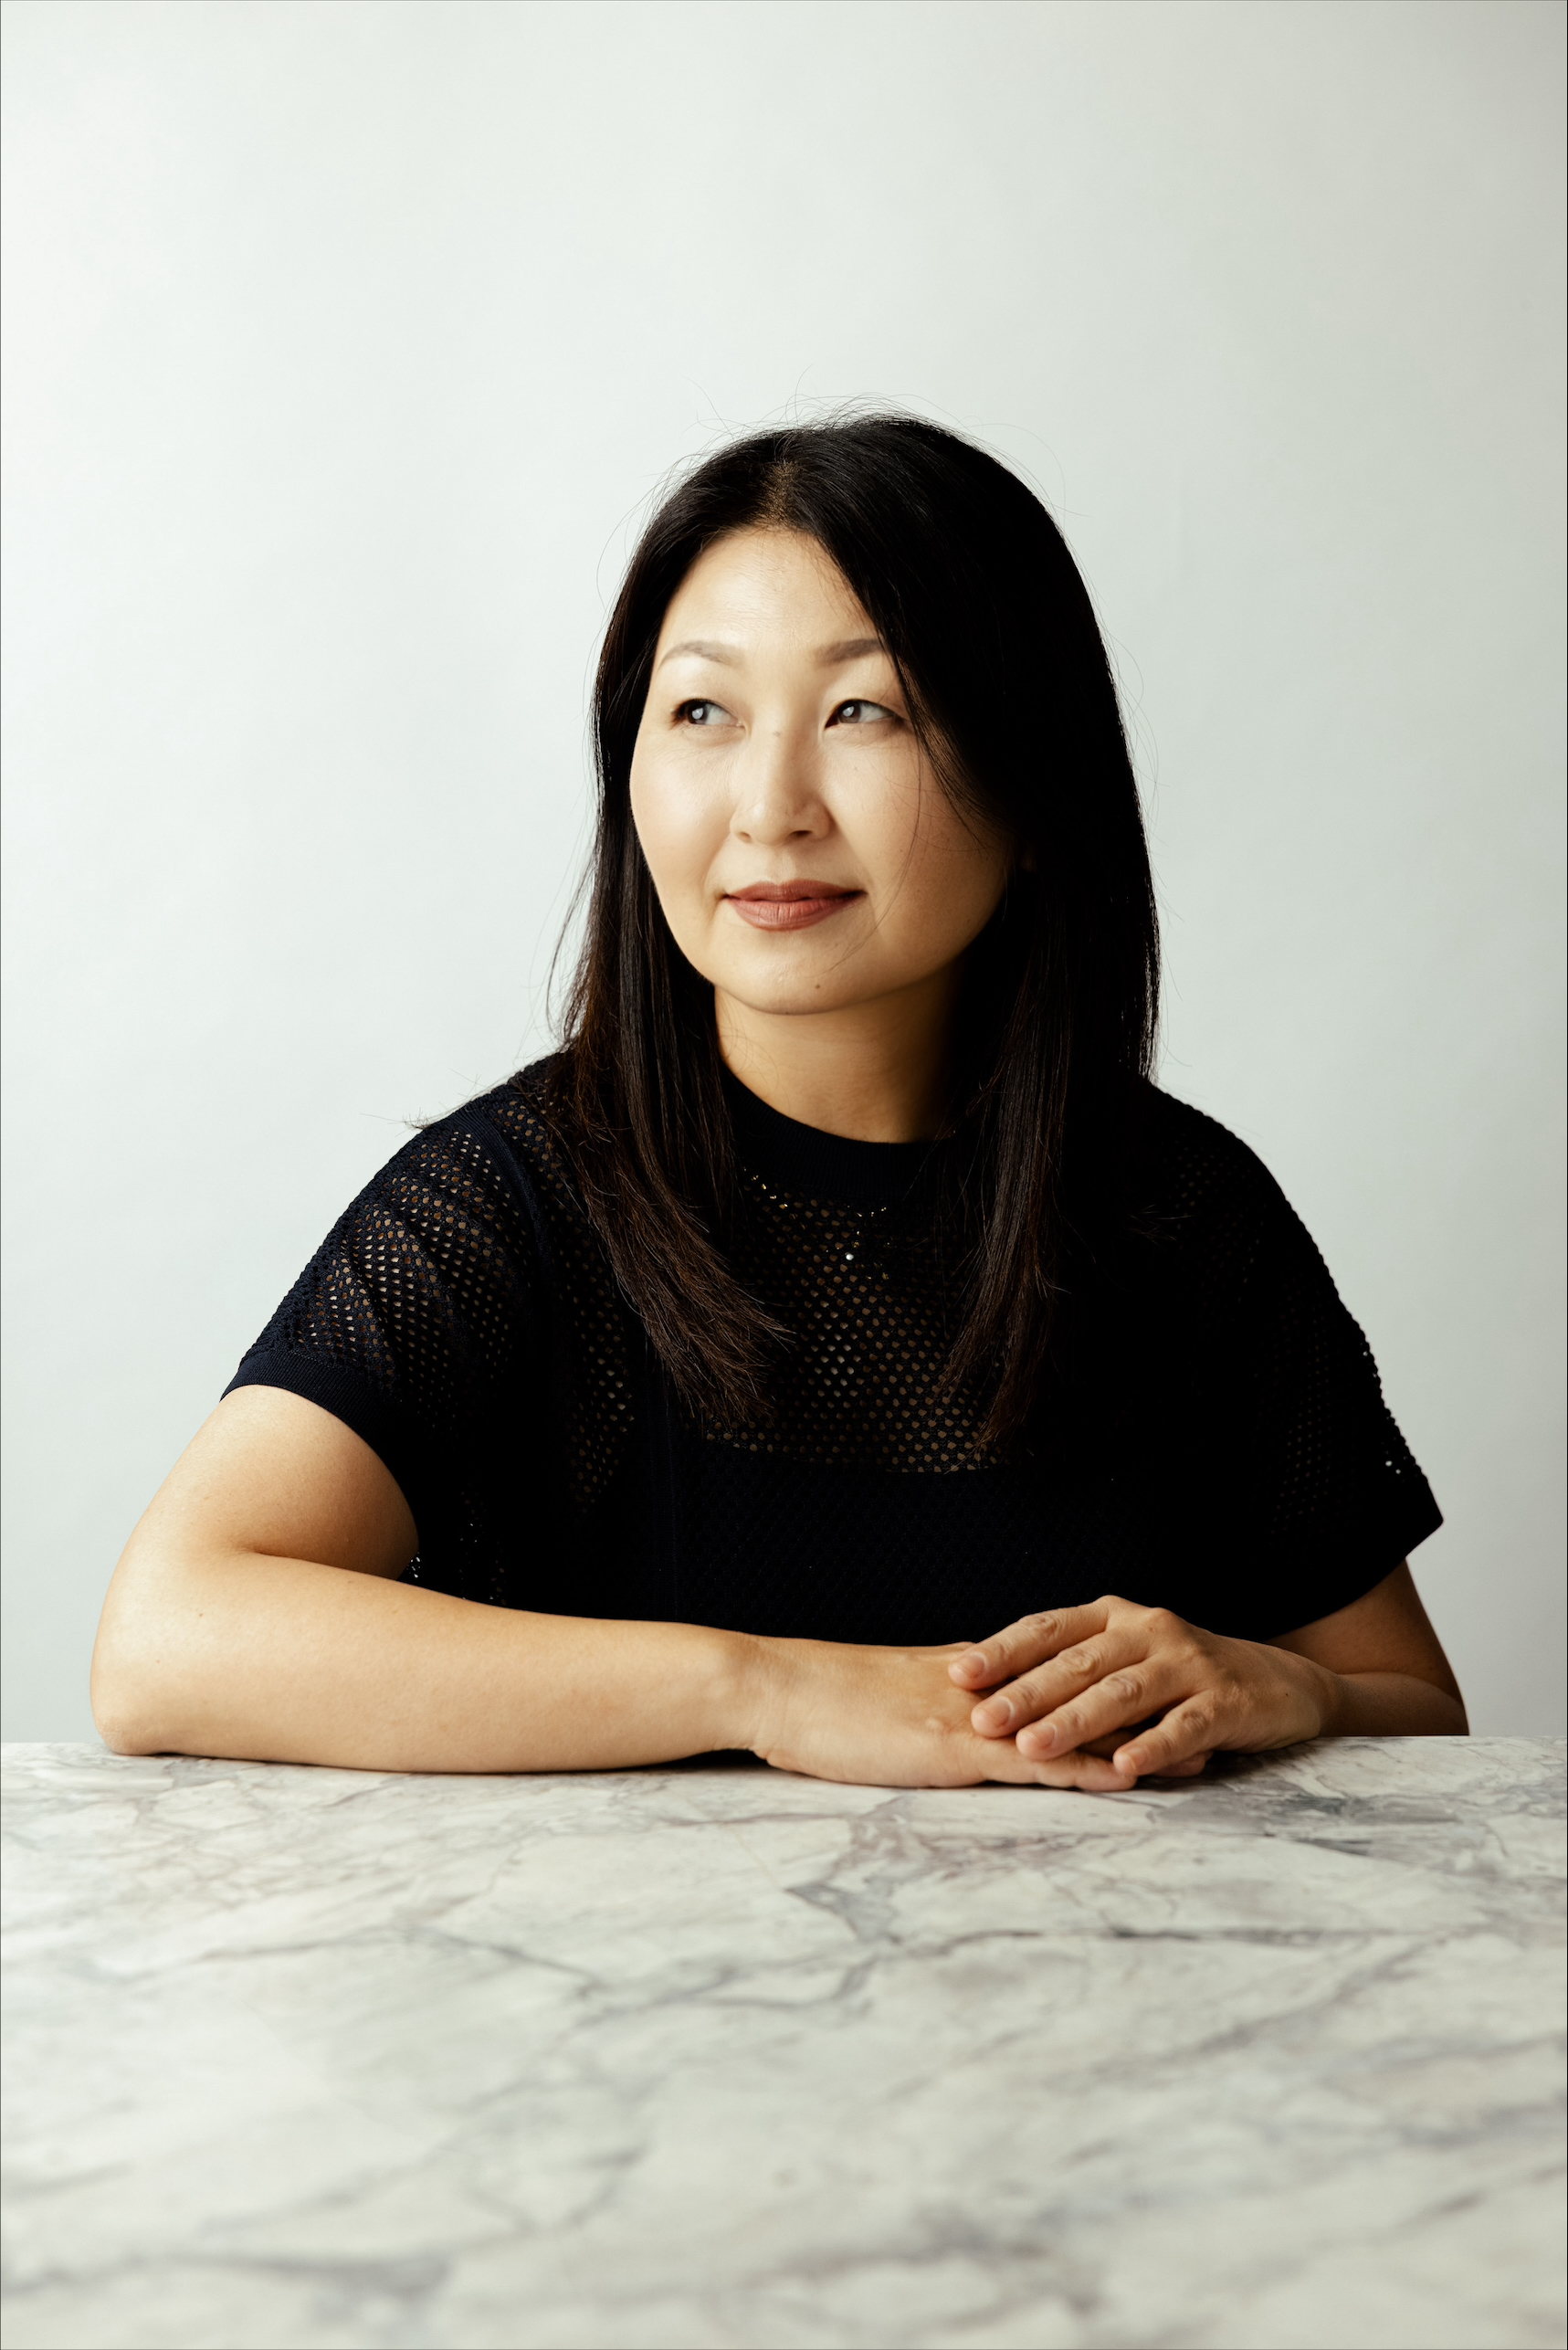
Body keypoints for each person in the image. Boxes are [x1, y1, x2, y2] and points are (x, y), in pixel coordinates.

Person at [90, 416, 1466, 1789]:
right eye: (703, 711)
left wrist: (1281, 1686)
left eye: (865, 710)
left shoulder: (1182, 1214)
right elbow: (167, 1638)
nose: (770, 805)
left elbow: (1414, 1710)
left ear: (1036, 786)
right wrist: (767, 1688)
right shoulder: (517, 1197)